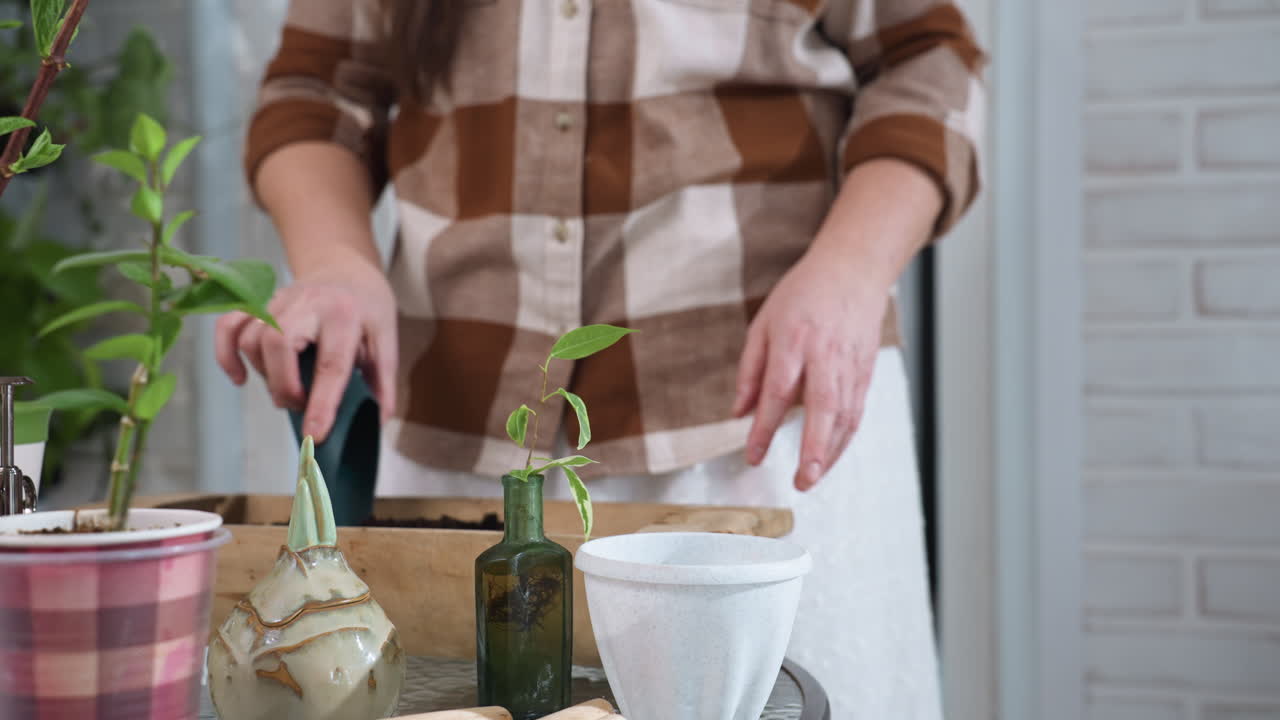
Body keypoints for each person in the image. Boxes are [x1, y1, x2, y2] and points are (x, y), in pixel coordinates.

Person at [216, 1, 985, 716]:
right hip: (458, 428)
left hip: (766, 409)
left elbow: (925, 57)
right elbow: (314, 91)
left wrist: (850, 270)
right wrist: (337, 261)